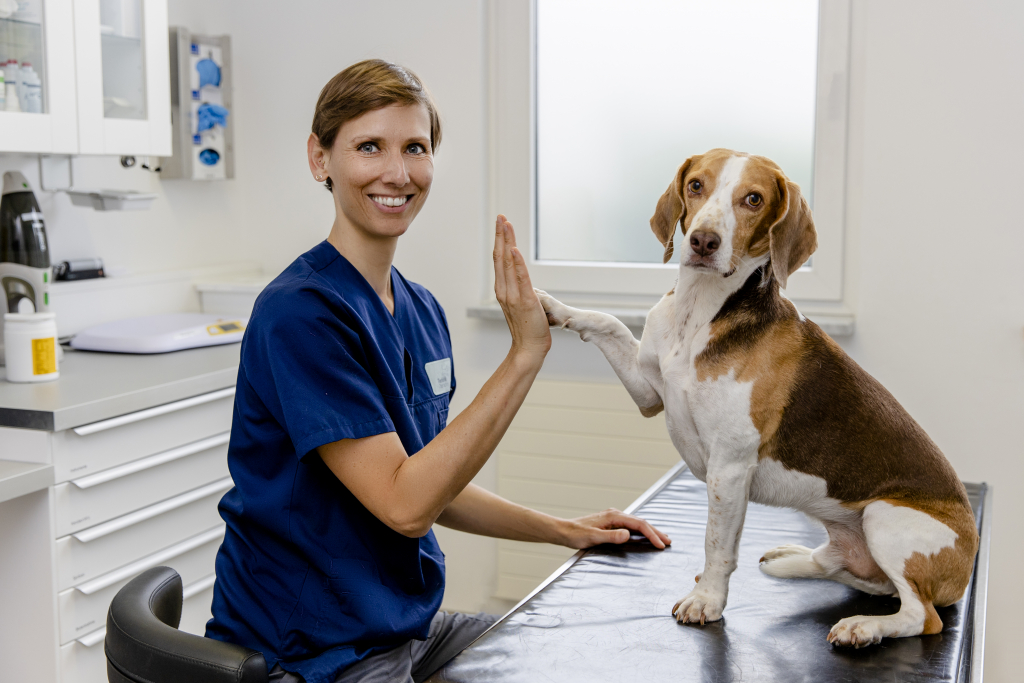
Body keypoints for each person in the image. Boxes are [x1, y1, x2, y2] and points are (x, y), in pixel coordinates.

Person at [205, 59, 671, 683]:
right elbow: (406, 504)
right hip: (313, 651)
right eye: (369, 147)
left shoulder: (419, 307)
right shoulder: (300, 314)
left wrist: (564, 530)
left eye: (415, 148)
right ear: (322, 160)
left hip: (406, 627)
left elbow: (427, 475)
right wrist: (524, 356)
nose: (397, 173)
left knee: (571, 657)